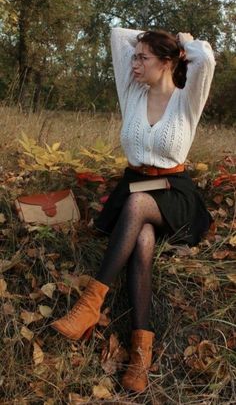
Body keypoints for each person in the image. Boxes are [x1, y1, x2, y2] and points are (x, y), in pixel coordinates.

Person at [51, 27, 216, 392]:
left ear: (168, 62)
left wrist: (184, 41)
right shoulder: (132, 91)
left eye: (144, 57)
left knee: (140, 204)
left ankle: (90, 304)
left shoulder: (187, 98)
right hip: (136, 182)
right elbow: (114, 33)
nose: (135, 62)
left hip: (173, 189)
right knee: (141, 237)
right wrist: (151, 41)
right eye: (136, 56)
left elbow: (205, 59)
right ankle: (141, 354)